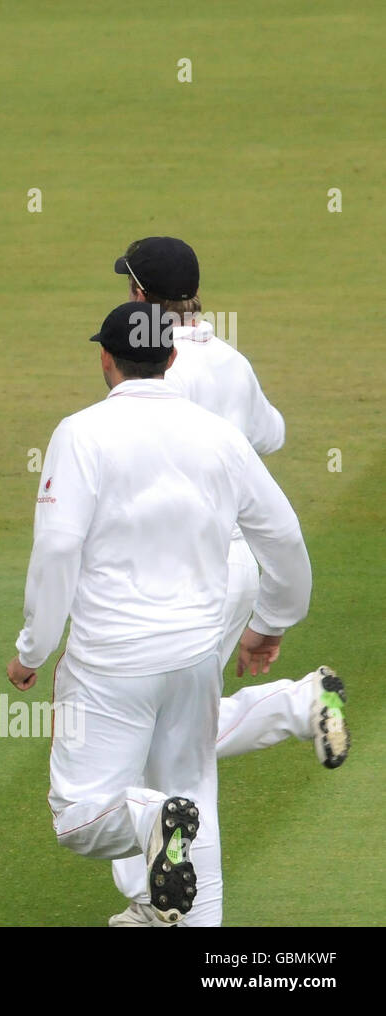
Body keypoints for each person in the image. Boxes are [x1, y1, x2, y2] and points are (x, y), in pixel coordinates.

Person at [7, 301, 312, 925]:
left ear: (104, 358)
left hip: (110, 663)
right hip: (196, 657)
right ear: (172, 358)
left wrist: (33, 648)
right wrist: (271, 621)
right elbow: (282, 535)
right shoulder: (219, 436)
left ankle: (149, 822)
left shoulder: (80, 432)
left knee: (80, 820)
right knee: (192, 797)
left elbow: (59, 547)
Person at [104, 237, 350, 926]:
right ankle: (297, 706)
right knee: (174, 734)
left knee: (158, 751)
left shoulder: (154, 375)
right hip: (241, 568)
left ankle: (176, 913)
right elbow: (270, 435)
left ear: (141, 298)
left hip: (186, 572)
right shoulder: (230, 361)